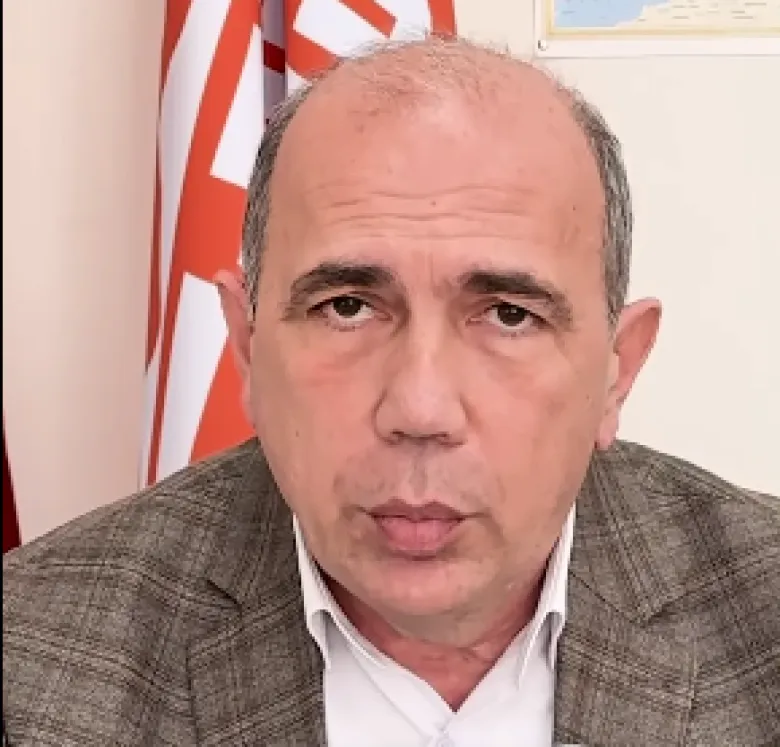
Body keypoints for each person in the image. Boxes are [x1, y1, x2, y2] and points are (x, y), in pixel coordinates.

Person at [3, 35, 778, 747]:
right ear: (246, 347)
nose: (420, 408)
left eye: (509, 315)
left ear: (618, 369)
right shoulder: (31, 659)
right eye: (347, 307)